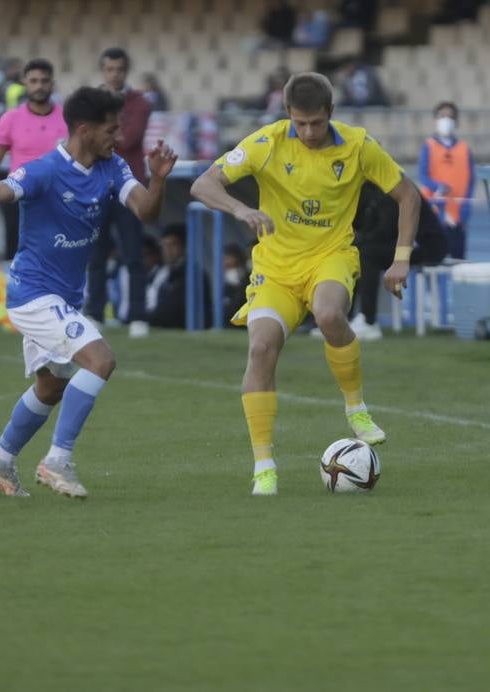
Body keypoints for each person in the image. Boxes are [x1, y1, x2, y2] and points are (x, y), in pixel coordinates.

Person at [190, 71, 421, 495]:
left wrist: (400, 260)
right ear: (288, 116)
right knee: (261, 349)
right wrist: (241, 211)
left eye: (316, 122)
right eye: (300, 123)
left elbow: (409, 194)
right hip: (275, 268)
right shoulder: (267, 142)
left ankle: (356, 408)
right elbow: (203, 184)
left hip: (329, 257)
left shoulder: (358, 146)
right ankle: (264, 466)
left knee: (330, 314)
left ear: (330, 113)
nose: (309, 132)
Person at [0, 86, 177, 499]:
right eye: (111, 129)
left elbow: (146, 211)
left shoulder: (112, 167)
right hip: (33, 294)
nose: (118, 136)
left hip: (64, 298)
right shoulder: (45, 170)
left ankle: (0, 460)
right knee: (101, 360)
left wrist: (159, 179)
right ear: (84, 129)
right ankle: (57, 460)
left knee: (51, 387)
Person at [0, 59, 68, 328]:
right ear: (25, 84)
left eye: (44, 81)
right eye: (33, 81)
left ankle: (61, 310)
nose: (39, 86)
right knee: (20, 258)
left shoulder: (67, 118)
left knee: (60, 256)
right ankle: (21, 311)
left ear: (52, 83)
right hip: (21, 200)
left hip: (59, 201)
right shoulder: (12, 118)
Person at [83, 48, 153, 338]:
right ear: (103, 71)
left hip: (128, 185)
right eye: (110, 69)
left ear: (126, 71)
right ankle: (95, 312)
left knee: (133, 252)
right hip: (96, 186)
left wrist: (101, 135)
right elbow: (86, 137)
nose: (115, 74)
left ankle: (137, 315)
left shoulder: (139, 103)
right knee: (94, 254)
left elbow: (130, 138)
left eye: (119, 69)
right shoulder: (90, 102)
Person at [348, 180, 448, 340]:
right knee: (356, 251)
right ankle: (346, 317)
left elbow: (388, 229)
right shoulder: (371, 189)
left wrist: (362, 240)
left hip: (429, 246)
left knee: (367, 254)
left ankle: (368, 321)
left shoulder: (394, 188)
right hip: (409, 243)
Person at [418, 102, 474, 260]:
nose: (446, 120)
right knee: (434, 261)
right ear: (435, 120)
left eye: (450, 117)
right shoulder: (428, 146)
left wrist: (465, 209)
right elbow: (423, 176)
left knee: (458, 259)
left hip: (458, 216)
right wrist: (438, 187)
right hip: (435, 214)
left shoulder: (464, 149)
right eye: (442, 116)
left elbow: (470, 181)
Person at [145, 223, 211, 329]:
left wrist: (145, 319)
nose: (168, 250)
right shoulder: (159, 272)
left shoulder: (193, 275)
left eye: (172, 245)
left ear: (183, 246)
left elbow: (172, 310)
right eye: (164, 245)